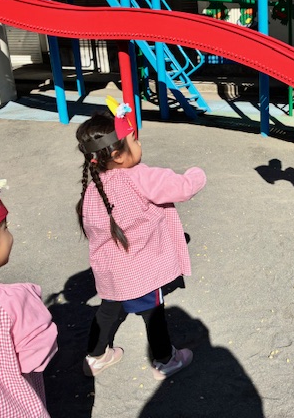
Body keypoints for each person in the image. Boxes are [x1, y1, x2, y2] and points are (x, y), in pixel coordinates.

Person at [75, 100, 206, 380]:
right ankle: (165, 360)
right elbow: (182, 188)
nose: (139, 143)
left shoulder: (94, 185)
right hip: (141, 269)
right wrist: (197, 174)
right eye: (133, 139)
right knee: (153, 313)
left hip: (111, 271)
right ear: (118, 155)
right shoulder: (139, 176)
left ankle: (95, 357)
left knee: (107, 310)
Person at [0, 173, 58, 417]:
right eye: (5, 229)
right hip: (7, 408)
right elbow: (38, 357)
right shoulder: (10, 302)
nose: (9, 235)